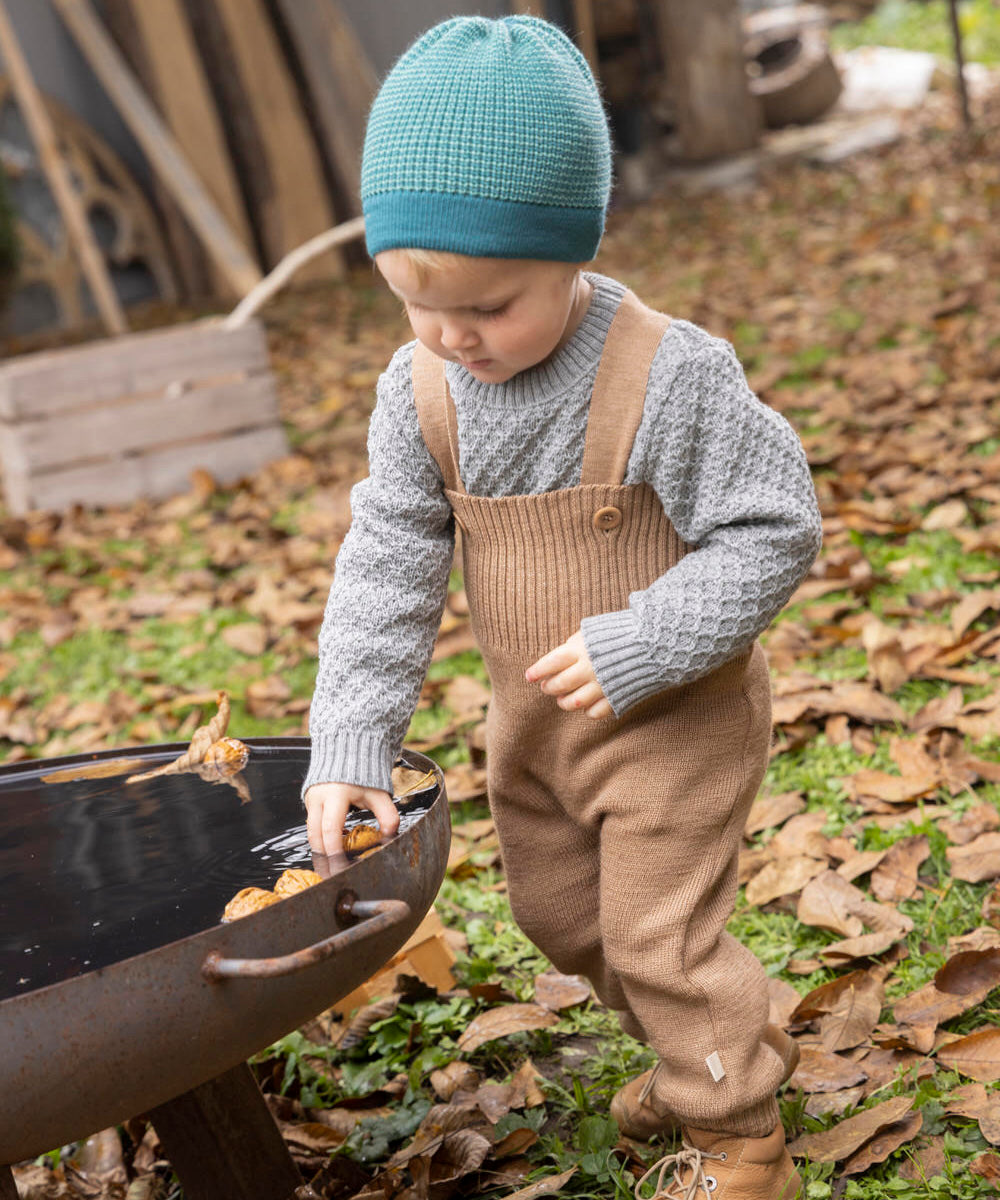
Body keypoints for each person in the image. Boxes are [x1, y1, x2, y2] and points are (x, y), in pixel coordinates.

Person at [302, 15, 821, 1199]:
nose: (450, 335)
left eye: (487, 303)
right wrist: (353, 738)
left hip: (672, 714)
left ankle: (739, 1139)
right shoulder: (420, 385)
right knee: (562, 920)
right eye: (413, 303)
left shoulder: (667, 374)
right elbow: (387, 562)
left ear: (573, 252)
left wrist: (650, 639)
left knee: (656, 933)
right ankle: (701, 1055)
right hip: (537, 727)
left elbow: (774, 526)